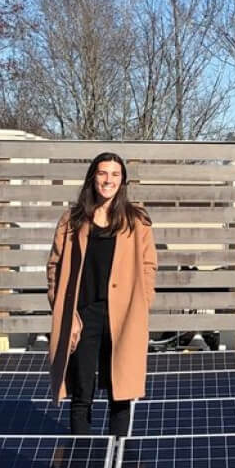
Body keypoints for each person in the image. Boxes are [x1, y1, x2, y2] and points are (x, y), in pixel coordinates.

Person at [46, 151, 157, 437]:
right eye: (103, 173)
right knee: (82, 390)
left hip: (124, 315)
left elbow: (149, 266)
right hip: (83, 315)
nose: (109, 180)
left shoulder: (136, 221)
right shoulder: (72, 220)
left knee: (121, 390)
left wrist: (143, 302)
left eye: (115, 174)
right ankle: (80, 459)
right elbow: (55, 266)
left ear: (123, 181)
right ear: (93, 177)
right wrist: (60, 308)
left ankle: (117, 460)